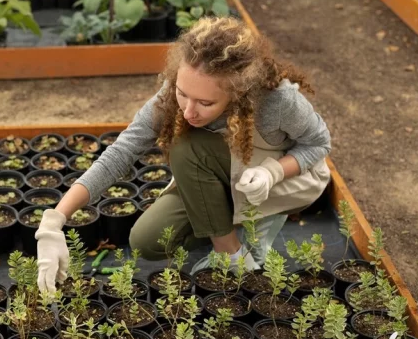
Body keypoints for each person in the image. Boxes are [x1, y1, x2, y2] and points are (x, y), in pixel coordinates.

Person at [35, 16, 331, 294]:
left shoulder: (278, 100)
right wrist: (55, 219)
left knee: (187, 145)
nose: (188, 111)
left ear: (238, 91)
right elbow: (122, 151)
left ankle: (233, 256)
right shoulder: (178, 88)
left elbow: (318, 145)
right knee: (147, 241)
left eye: (205, 102)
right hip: (219, 175)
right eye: (182, 94)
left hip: (278, 181)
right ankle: (225, 219)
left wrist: (272, 172)